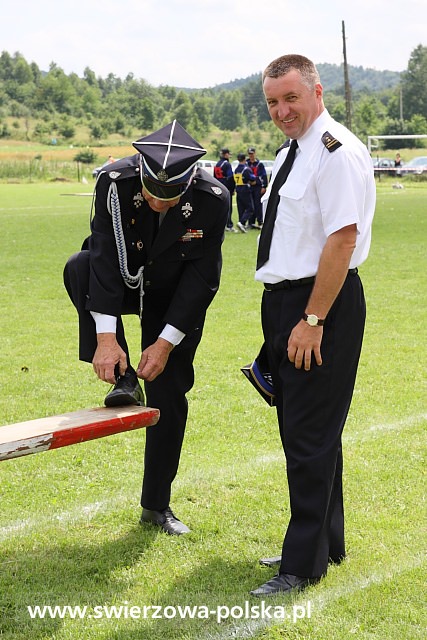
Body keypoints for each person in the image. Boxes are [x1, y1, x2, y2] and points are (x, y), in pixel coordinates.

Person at [64, 120, 229, 535]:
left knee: (168, 396)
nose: (160, 202)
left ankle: (156, 506)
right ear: (140, 173)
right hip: (125, 280)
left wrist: (165, 344)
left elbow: (203, 279)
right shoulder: (114, 183)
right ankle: (122, 378)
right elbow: (102, 257)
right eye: (153, 192)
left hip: (173, 298)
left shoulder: (213, 198)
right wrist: (106, 339)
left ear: (189, 179)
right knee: (79, 265)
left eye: (171, 196)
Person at [250, 54, 376, 596]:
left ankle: (301, 564)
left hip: (319, 304)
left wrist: (312, 319)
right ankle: (327, 540)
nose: (282, 110)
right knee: (311, 430)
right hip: (289, 302)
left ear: (316, 92)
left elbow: (342, 240)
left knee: (306, 435)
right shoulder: (291, 154)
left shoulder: (335, 152)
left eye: (290, 98)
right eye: (273, 102)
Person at [214, 148, 237, 232]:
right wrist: (232, 188)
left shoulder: (217, 164)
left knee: (220, 207)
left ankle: (221, 224)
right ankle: (229, 225)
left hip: (218, 187)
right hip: (226, 188)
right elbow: (230, 177)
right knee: (228, 207)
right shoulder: (227, 164)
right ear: (226, 154)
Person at [234, 153, 256, 233]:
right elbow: (252, 178)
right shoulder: (246, 169)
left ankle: (241, 224)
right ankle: (242, 222)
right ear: (245, 159)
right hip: (245, 188)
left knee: (241, 208)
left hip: (238, 188)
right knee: (250, 208)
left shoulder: (236, 169)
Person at [246, 147, 268, 228]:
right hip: (249, 187)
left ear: (255, 153)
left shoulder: (259, 164)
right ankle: (251, 222)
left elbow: (263, 175)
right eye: (249, 154)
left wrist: (264, 186)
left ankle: (260, 221)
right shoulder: (246, 164)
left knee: (258, 204)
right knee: (250, 204)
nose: (251, 155)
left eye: (252, 153)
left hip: (258, 187)